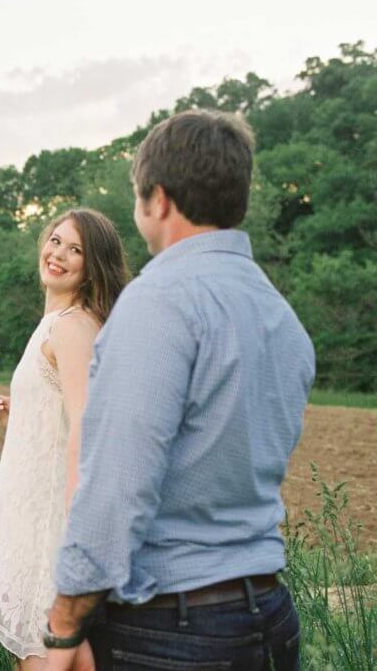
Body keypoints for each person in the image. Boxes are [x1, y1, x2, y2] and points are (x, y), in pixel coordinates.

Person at [43, 110, 315, 671]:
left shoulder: (158, 300)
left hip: (170, 630)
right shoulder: (280, 315)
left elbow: (117, 486)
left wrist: (65, 624)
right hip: (269, 617)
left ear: (158, 200)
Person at [0, 208, 129, 670]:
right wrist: (17, 417)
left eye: (75, 249)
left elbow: (90, 428)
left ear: (91, 265)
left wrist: (79, 544)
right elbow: (61, 417)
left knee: (43, 653)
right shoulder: (55, 322)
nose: (58, 254)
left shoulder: (73, 327)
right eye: (55, 241)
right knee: (64, 655)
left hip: (51, 526)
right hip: (29, 511)